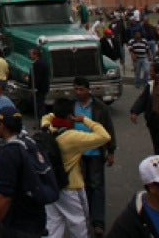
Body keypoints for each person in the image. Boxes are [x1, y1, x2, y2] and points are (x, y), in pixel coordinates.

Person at [41, 97, 111, 238]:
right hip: (71, 187)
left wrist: (56, 114)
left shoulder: (47, 129)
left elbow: (46, 117)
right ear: (69, 116)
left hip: (51, 185)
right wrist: (85, 120)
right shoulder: (73, 137)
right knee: (80, 226)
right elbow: (104, 136)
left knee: (53, 225)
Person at [0, 106, 48, 238]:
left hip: (19, 224)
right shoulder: (30, 143)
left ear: (3, 127)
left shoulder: (9, 153)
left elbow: (5, 197)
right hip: (36, 219)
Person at [73, 77, 117, 237]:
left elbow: (108, 129)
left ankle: (98, 222)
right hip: (77, 153)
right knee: (82, 187)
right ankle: (85, 218)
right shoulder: (72, 106)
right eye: (76, 89)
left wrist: (111, 151)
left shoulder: (99, 107)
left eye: (81, 89)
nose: (78, 92)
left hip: (95, 153)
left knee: (96, 186)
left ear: (88, 90)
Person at [130, 64, 159, 156]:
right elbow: (143, 99)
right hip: (154, 120)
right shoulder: (150, 86)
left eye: (151, 71)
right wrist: (135, 112)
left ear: (158, 74)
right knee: (157, 144)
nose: (150, 73)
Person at [28, 45, 51, 123]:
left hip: (39, 89)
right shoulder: (42, 62)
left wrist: (34, 87)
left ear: (35, 55)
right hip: (42, 88)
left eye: (31, 54)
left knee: (40, 105)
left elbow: (37, 77)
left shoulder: (38, 64)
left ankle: (43, 122)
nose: (30, 55)